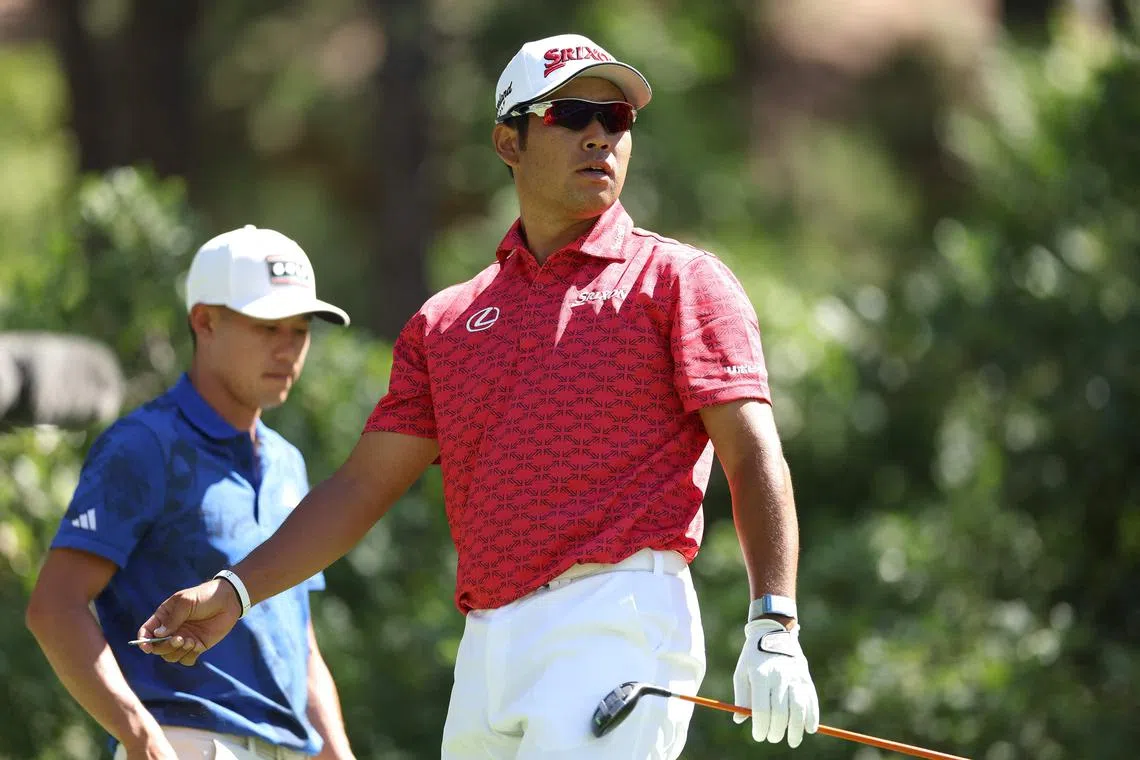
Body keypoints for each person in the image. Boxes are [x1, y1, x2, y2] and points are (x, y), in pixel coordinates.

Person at [136, 33, 820, 759]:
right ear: (509, 140)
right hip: (488, 642)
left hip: (616, 619)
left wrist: (773, 624)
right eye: (571, 115)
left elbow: (751, 455)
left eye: (616, 120)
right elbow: (363, 485)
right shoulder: (449, 321)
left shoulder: (679, 283)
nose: (599, 136)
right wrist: (235, 592)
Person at [25, 225, 357, 760]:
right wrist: (139, 733)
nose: (288, 349)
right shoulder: (144, 445)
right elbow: (54, 605)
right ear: (205, 320)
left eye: (300, 330)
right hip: (186, 743)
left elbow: (298, 636)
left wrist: (337, 750)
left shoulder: (288, 463)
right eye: (268, 326)